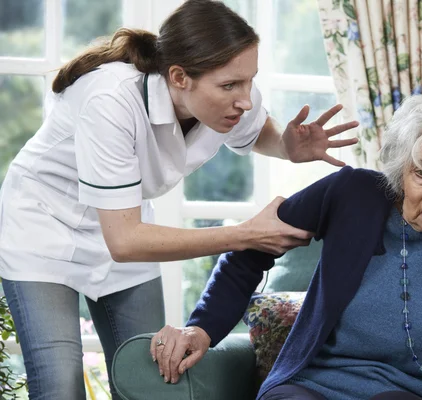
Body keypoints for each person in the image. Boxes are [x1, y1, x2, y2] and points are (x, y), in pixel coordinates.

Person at [0, 1, 359, 399]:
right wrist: (242, 235)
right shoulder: (110, 100)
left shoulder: (231, 97)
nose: (245, 99)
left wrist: (287, 146)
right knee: (60, 384)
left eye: (249, 81)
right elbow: (125, 242)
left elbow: (256, 130)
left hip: (125, 222)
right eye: (230, 86)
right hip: (45, 227)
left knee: (150, 379)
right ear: (179, 77)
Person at [152, 93, 422, 400]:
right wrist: (200, 328)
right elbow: (250, 249)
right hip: (309, 386)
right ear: (401, 169)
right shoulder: (351, 193)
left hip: (411, 393)